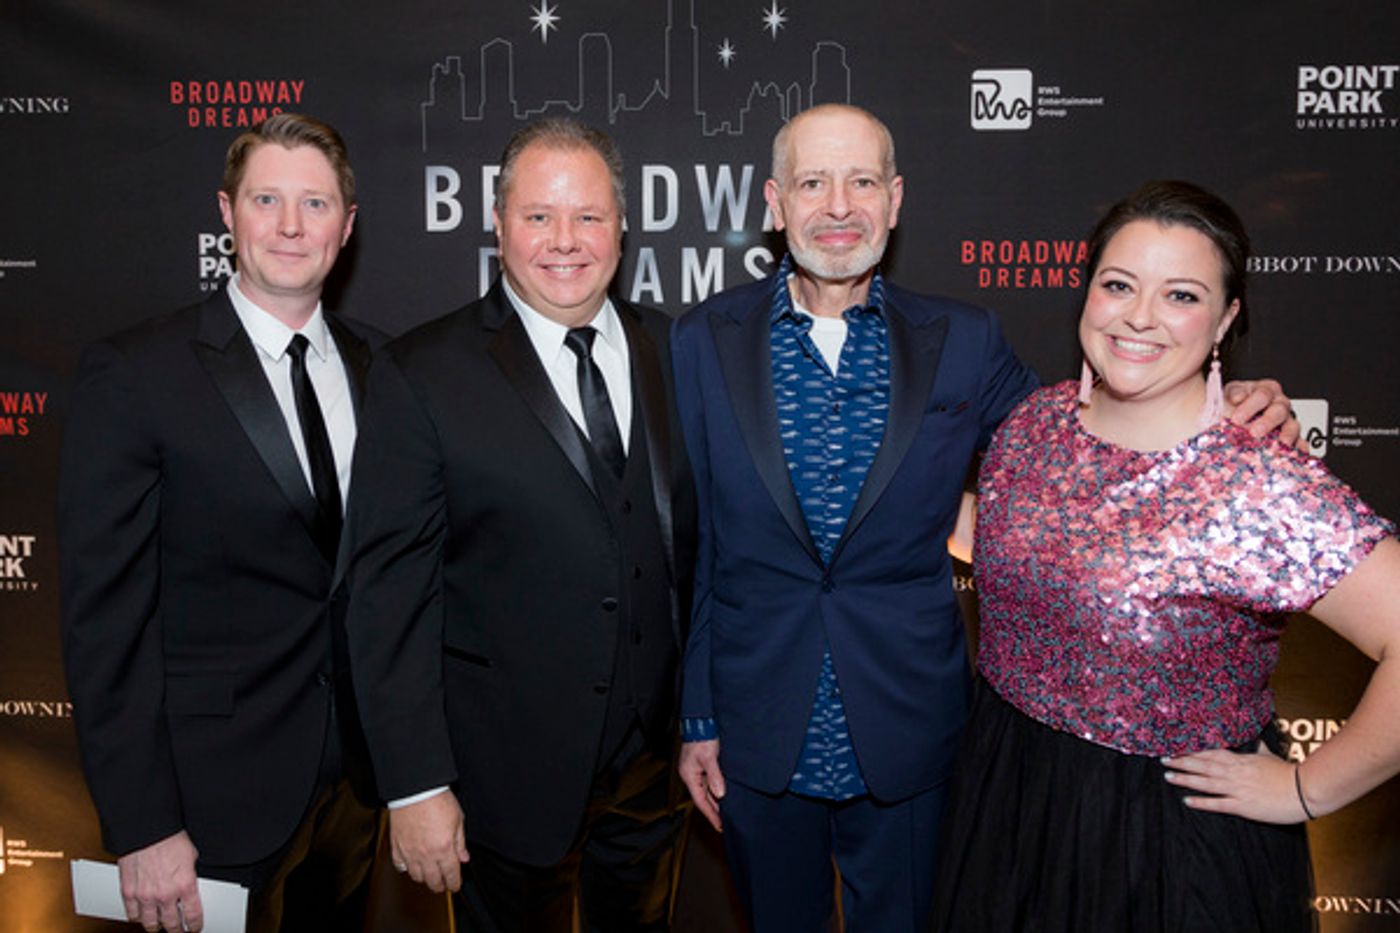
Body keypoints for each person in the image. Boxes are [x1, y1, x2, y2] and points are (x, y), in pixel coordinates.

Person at [670, 106, 1297, 932]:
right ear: (774, 202)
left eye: (862, 181)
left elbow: (1086, 434)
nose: (838, 205)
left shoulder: (962, 339)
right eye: (813, 182)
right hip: (757, 725)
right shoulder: (700, 338)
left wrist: (1222, 401)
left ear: (894, 201)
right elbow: (697, 542)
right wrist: (699, 716)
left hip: (912, 729)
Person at [931, 180, 1400, 931]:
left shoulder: (1255, 478)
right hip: (1007, 795)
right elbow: (1009, 542)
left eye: (1180, 295)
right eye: (1119, 284)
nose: (1140, 316)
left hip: (1163, 841)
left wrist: (1305, 789)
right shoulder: (1033, 422)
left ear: (1227, 317)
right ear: (1087, 291)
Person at [344, 118, 694, 932]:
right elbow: (387, 596)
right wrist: (417, 783)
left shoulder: (676, 352)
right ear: (498, 225)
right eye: (538, 216)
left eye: (589, 216)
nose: (564, 241)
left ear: (623, 227)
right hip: (501, 779)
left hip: (653, 773)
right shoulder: (422, 372)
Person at [59, 113, 383, 933]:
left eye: (314, 204)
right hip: (206, 809)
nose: (288, 225)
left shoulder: (385, 367)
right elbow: (105, 621)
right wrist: (142, 825)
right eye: (266, 198)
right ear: (226, 211)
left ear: (346, 225)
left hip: (354, 793)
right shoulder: (138, 374)